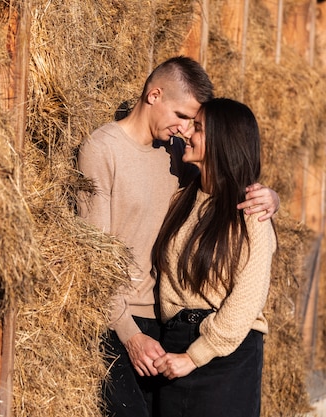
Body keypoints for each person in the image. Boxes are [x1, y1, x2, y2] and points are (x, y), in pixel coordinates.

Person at [76, 56, 280, 417]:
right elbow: (93, 258)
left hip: (178, 332)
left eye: (195, 124)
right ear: (154, 95)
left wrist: (270, 199)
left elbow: (225, 185)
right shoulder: (104, 150)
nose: (186, 130)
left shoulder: (177, 158)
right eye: (184, 117)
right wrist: (129, 333)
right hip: (126, 323)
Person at [151, 97, 277, 417]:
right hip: (175, 342)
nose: (187, 133)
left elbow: (247, 300)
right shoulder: (181, 199)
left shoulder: (251, 213)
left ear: (223, 140)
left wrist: (195, 356)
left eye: (199, 128)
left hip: (226, 356)